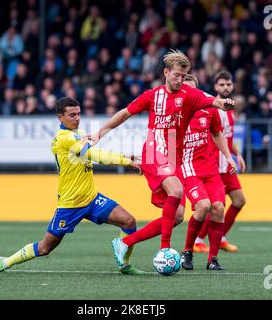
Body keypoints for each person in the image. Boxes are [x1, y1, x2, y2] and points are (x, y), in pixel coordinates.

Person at [89, 49, 235, 270]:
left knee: (177, 217)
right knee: (176, 191)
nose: (179, 80)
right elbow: (125, 113)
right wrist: (101, 132)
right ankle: (165, 249)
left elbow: (215, 102)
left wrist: (225, 104)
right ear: (166, 72)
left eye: (183, 76)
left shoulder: (190, 95)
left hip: (172, 159)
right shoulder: (152, 95)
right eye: (176, 75)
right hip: (154, 151)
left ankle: (125, 242)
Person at [0, 97, 145, 275]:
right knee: (45, 248)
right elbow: (96, 155)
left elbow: (89, 149)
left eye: (79, 114)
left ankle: (124, 265)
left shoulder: (77, 134)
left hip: (91, 198)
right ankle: (5, 263)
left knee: (129, 221)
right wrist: (126, 160)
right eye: (72, 115)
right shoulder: (63, 139)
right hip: (70, 204)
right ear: (60, 117)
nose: (77, 118)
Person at [180, 74, 236, 271]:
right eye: (183, 89)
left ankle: (213, 259)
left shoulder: (208, 109)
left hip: (210, 169)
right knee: (203, 206)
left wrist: (229, 157)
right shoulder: (174, 112)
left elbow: (217, 133)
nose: (187, 93)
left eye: (191, 90)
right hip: (189, 169)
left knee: (219, 208)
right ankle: (187, 251)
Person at [193, 71, 246, 253]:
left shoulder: (230, 110)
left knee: (239, 200)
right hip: (215, 165)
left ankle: (221, 237)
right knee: (218, 205)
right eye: (222, 85)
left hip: (228, 165)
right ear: (215, 87)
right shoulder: (213, 108)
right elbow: (214, 136)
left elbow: (228, 136)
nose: (225, 87)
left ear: (232, 86)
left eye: (228, 84)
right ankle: (199, 240)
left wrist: (237, 154)